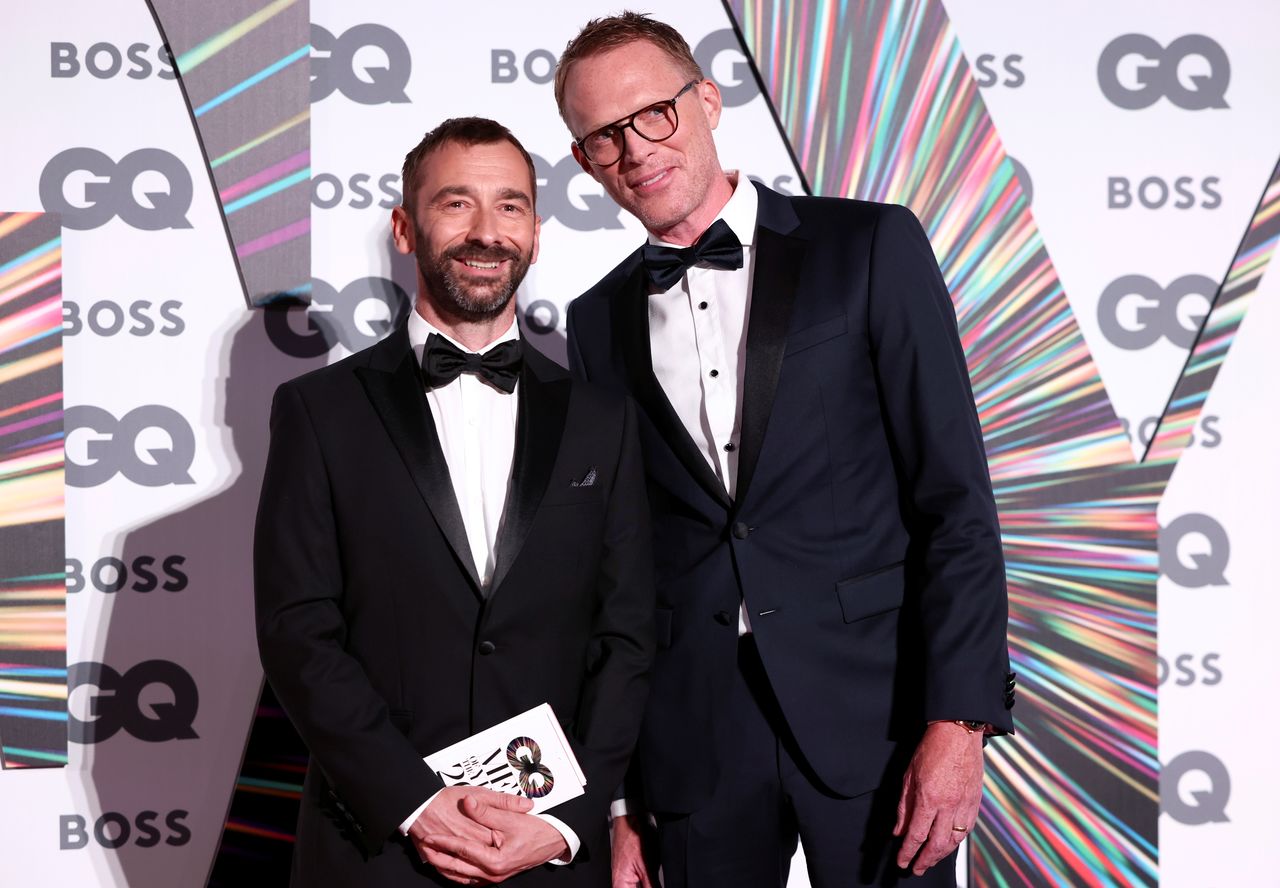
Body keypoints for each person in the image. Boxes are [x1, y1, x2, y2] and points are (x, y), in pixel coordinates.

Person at [554, 14, 1015, 888]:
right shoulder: (594, 323)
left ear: (708, 101)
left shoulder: (870, 247)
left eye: (653, 112)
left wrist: (959, 724)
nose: (635, 149)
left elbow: (954, 500)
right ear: (583, 162)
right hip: (694, 743)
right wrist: (620, 802)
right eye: (603, 136)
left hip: (876, 722)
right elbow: (614, 572)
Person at [254, 117, 654, 887]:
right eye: (455, 203)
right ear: (406, 228)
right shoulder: (319, 411)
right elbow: (297, 630)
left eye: (509, 206)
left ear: (536, 233)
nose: (485, 231)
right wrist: (413, 803)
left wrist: (567, 823)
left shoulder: (603, 418)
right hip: (376, 847)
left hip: (547, 851)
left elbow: (627, 635)